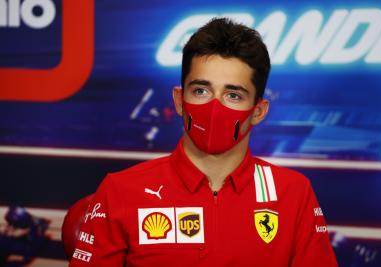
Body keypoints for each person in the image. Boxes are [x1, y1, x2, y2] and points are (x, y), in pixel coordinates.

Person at [68, 18, 338, 267]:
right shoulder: (120, 191)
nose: (214, 106)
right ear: (178, 100)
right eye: (201, 90)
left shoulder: (294, 194)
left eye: (233, 95)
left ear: (258, 111)